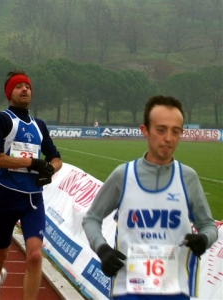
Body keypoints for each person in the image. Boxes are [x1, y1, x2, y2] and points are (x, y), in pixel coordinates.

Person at [82, 95, 218, 300]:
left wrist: (204, 239)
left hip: (174, 290)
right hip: (128, 290)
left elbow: (208, 226)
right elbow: (91, 218)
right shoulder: (123, 175)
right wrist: (102, 249)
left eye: (176, 131)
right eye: (161, 130)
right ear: (145, 130)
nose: (169, 138)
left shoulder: (187, 177)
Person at [0, 70, 63, 300]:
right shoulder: (2, 119)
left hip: (33, 199)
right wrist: (32, 162)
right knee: (0, 255)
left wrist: (49, 170)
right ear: (10, 93)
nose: (25, 89)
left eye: (27, 86)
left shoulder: (39, 125)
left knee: (35, 256)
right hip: (6, 196)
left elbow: (56, 159)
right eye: (19, 86)